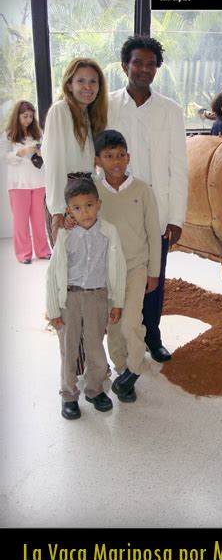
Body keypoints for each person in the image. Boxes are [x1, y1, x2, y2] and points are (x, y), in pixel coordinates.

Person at [107, 34, 188, 363]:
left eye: (151, 64)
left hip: (157, 212)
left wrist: (176, 217)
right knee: (115, 276)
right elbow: (89, 155)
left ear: (158, 69)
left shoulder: (171, 111)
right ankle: (119, 337)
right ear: (125, 65)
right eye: (137, 62)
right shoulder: (106, 105)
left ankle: (152, 336)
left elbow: (179, 167)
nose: (144, 69)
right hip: (114, 211)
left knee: (154, 278)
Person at [46, 174, 126, 421]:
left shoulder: (109, 232)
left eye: (89, 205)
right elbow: (52, 274)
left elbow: (118, 267)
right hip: (69, 299)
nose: (85, 212)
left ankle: (94, 389)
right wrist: (53, 311)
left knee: (95, 347)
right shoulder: (65, 235)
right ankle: (69, 395)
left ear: (99, 204)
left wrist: (117, 302)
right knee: (69, 349)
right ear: (69, 210)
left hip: (97, 298)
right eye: (77, 208)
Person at [94, 130, 162, 401]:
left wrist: (153, 272)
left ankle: (135, 368)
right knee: (114, 324)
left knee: (132, 320)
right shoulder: (94, 191)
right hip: (106, 270)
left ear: (128, 157)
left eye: (120, 155)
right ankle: (123, 369)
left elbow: (153, 233)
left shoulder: (142, 190)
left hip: (136, 267)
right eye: (109, 157)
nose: (116, 162)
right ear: (98, 160)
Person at [42, 57, 108, 244]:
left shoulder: (89, 116)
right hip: (66, 198)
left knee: (87, 263)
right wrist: (58, 211)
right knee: (67, 265)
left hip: (86, 196)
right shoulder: (60, 110)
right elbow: (54, 163)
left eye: (93, 81)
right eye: (81, 81)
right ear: (69, 85)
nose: (88, 87)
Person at [3, 100, 51, 263]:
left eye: (31, 116)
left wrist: (40, 151)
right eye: (25, 116)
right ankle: (23, 254)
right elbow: (4, 157)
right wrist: (21, 152)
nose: (28, 119)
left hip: (38, 182)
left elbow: (47, 152)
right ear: (17, 116)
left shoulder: (37, 133)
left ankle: (43, 251)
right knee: (20, 222)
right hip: (18, 184)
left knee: (39, 220)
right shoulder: (8, 134)